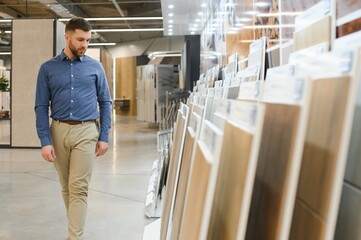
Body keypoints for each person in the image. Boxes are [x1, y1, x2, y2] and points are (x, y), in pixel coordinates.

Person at [34, 17, 112, 240]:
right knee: (66, 186)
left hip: (87, 132)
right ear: (67, 36)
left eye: (87, 40)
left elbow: (105, 102)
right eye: (80, 39)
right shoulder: (48, 68)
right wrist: (45, 140)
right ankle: (75, 230)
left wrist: (104, 135)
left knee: (78, 188)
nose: (84, 45)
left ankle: (74, 237)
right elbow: (41, 106)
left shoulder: (95, 67)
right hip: (57, 131)